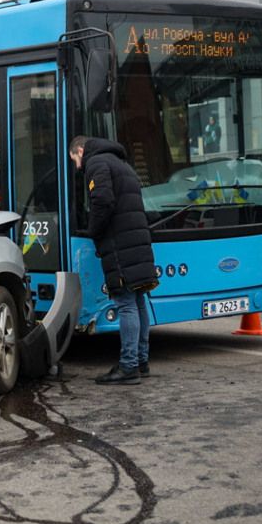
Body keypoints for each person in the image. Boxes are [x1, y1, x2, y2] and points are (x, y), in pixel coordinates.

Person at [81, 137, 159, 385]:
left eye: (75, 159)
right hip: (138, 243)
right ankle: (141, 361)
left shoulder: (96, 163)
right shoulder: (124, 165)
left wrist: (93, 231)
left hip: (120, 245)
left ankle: (128, 367)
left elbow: (102, 201)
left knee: (125, 303)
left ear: (80, 151)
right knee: (138, 302)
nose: (76, 166)